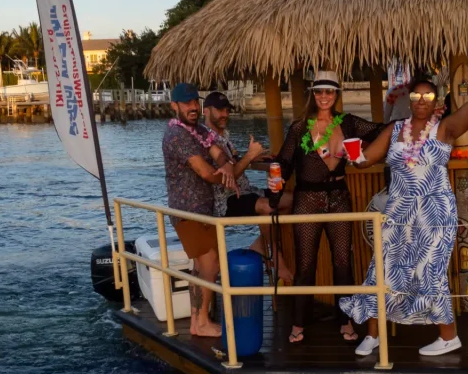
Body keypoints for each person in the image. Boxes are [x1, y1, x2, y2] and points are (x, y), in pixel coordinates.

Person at [340, 37, 468, 357]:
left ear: (435, 100)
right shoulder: (395, 129)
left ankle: (449, 336)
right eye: (416, 94)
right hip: (399, 214)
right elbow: (364, 160)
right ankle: (373, 335)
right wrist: (341, 146)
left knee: (431, 273)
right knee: (381, 270)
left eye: (428, 95)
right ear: (410, 98)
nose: (421, 99)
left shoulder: (444, 128)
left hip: (435, 216)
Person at [271, 71, 383, 344]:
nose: (324, 96)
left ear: (336, 95)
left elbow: (383, 129)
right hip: (307, 199)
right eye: (319, 91)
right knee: (306, 264)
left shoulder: (348, 123)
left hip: (339, 198)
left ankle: (345, 320)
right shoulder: (299, 127)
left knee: (343, 261)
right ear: (313, 93)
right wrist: (275, 182)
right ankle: (298, 323)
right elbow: (284, 161)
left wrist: (369, 155)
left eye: (329, 92)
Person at [163, 82, 238, 337]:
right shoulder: (176, 135)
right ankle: (202, 321)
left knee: (200, 267)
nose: (193, 107)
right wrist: (229, 176)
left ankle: (197, 322)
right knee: (211, 264)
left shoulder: (201, 131)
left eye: (195, 102)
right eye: (187, 103)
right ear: (175, 106)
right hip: (187, 213)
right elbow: (205, 172)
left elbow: (218, 153)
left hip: (204, 212)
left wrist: (226, 166)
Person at [202, 91, 293, 283]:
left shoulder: (224, 135)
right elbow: (228, 177)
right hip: (224, 200)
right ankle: (278, 260)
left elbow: (232, 162)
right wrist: (250, 156)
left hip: (246, 191)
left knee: (292, 200)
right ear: (206, 111)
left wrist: (252, 158)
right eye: (219, 110)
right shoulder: (205, 140)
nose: (225, 114)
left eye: (227, 110)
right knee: (266, 207)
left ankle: (260, 245)